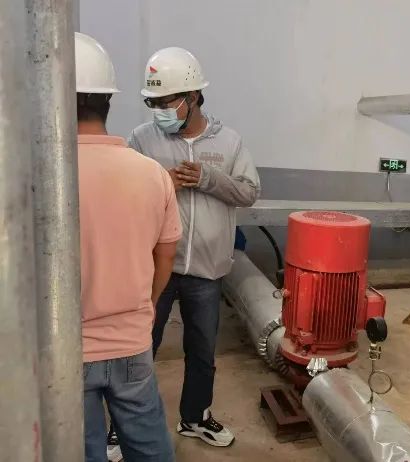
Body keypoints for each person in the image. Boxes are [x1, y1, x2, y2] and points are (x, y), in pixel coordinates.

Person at [126, 46, 260, 448]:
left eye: (166, 101)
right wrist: (162, 183)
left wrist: (208, 178)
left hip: (206, 271)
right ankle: (126, 426)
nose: (159, 111)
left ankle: (195, 417)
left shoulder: (230, 142)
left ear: (193, 96)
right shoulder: (141, 140)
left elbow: (249, 192)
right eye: (153, 103)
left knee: (202, 352)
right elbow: (125, 196)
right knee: (140, 348)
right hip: (157, 268)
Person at [75, 33, 181, 462]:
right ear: (108, 101)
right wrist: (146, 305)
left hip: (68, 349)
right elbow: (166, 255)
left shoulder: (40, 177)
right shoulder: (152, 174)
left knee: (82, 451)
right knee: (150, 449)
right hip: (132, 342)